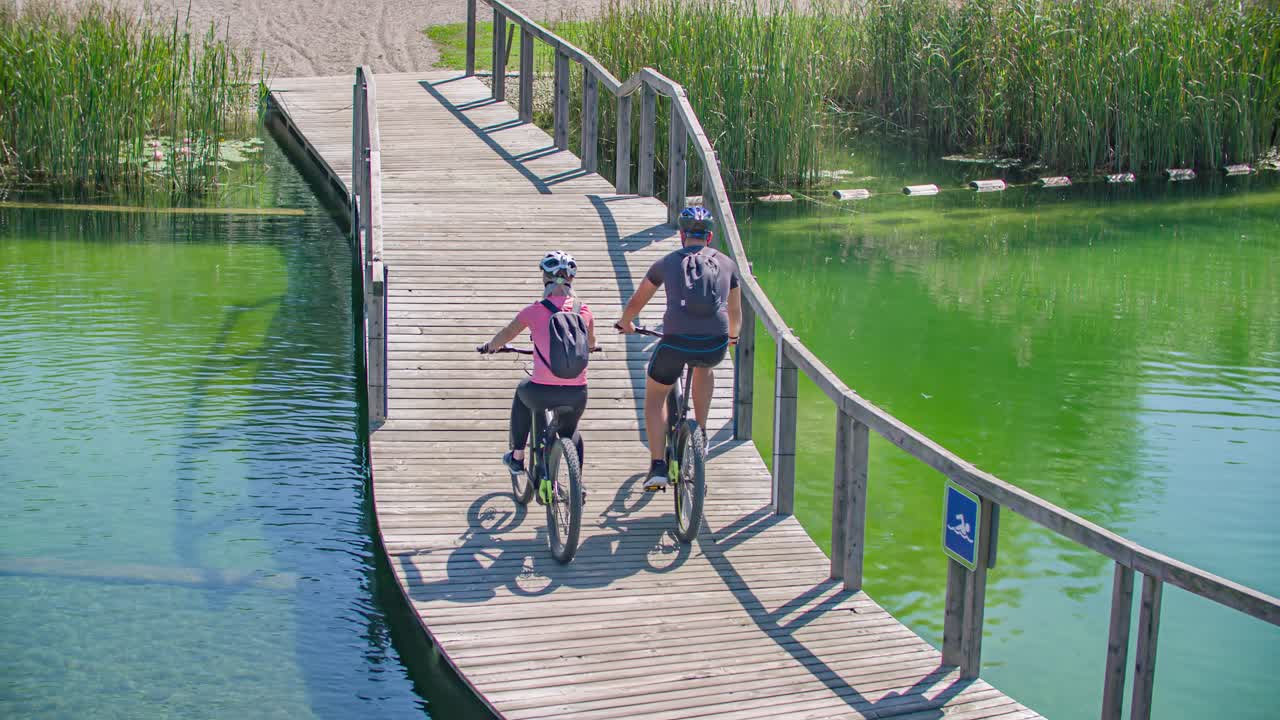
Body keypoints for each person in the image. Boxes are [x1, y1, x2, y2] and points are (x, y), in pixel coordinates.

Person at [615, 206, 742, 490]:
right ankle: (702, 434)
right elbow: (735, 313)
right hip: (714, 343)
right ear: (709, 236)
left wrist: (626, 323)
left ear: (682, 235)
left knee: (655, 397)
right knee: (704, 367)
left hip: (675, 343)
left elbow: (637, 302)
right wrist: (732, 338)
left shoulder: (666, 263)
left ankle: (658, 465)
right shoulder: (728, 264)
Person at [478, 250, 596, 502]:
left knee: (523, 393)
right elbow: (592, 343)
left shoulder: (534, 311)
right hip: (577, 392)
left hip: (541, 390)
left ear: (545, 278)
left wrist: (490, 346)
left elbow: (506, 335)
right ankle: (578, 486)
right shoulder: (584, 311)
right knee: (571, 433)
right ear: (571, 279)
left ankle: (518, 457)